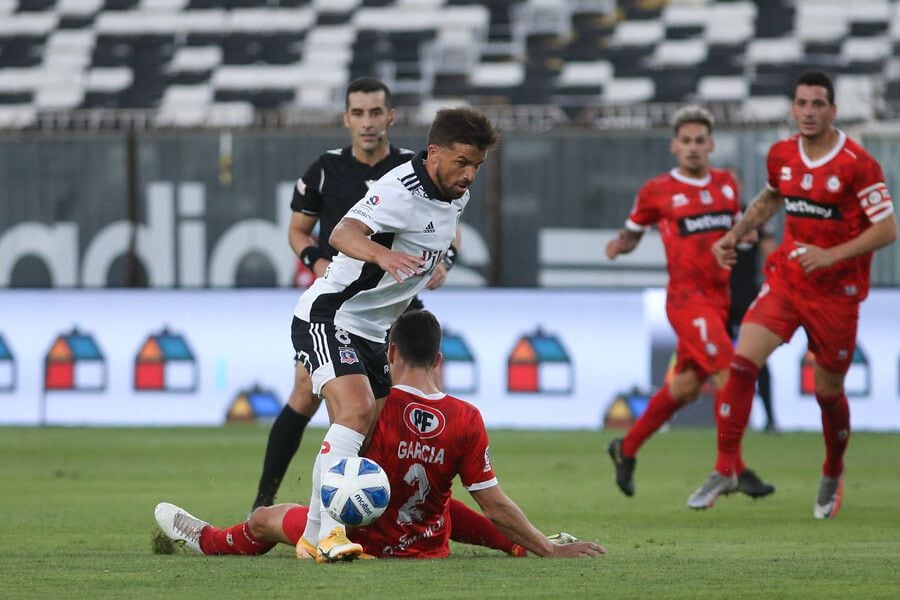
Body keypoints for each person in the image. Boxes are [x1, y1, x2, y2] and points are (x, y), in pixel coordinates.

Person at [155, 310, 605, 560]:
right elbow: (494, 504)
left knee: (264, 519)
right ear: (439, 358)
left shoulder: (367, 408)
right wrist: (543, 547)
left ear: (391, 352)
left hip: (360, 541)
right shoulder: (467, 417)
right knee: (442, 495)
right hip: (426, 548)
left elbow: (329, 474)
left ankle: (206, 538)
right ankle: (515, 544)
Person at [290, 107, 499, 561]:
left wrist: (442, 260)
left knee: (362, 436)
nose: (470, 175)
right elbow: (344, 232)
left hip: (372, 331)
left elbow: (445, 228)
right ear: (434, 153)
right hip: (330, 315)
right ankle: (331, 534)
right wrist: (381, 257)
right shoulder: (398, 190)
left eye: (477, 166)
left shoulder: (453, 195)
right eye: (462, 162)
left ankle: (310, 536)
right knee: (357, 409)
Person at [688, 71, 896, 517]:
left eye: (817, 104)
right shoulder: (782, 154)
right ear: (792, 108)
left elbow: (887, 229)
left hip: (836, 293)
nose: (807, 112)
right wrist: (735, 234)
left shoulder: (857, 163)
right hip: (787, 279)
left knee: (827, 393)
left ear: (833, 111)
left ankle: (832, 470)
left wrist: (831, 255)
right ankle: (726, 468)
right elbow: (770, 198)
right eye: (801, 103)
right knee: (741, 363)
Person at [252, 77, 458, 512]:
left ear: (390, 117)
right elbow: (297, 230)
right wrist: (316, 262)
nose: (368, 122)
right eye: (359, 113)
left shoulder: (418, 168)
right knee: (308, 395)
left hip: (395, 305)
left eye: (376, 112)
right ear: (346, 119)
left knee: (395, 407)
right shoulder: (325, 169)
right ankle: (267, 503)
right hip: (341, 299)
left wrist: (445, 262)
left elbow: (448, 233)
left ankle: (382, 506)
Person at [604, 105, 774, 501]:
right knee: (730, 374)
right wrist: (619, 246)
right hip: (685, 300)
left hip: (718, 300)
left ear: (711, 145)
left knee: (683, 388)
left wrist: (742, 242)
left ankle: (625, 449)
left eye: (701, 141)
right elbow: (633, 232)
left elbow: (740, 233)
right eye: (687, 141)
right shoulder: (657, 190)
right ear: (674, 146)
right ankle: (731, 468)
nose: (694, 148)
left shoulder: (727, 185)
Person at [728, 215, 778, 432]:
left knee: (756, 361)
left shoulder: (754, 215)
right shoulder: (712, 212)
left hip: (746, 299)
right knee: (718, 361)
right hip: (717, 300)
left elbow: (771, 255)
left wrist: (773, 287)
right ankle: (731, 420)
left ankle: (769, 419)